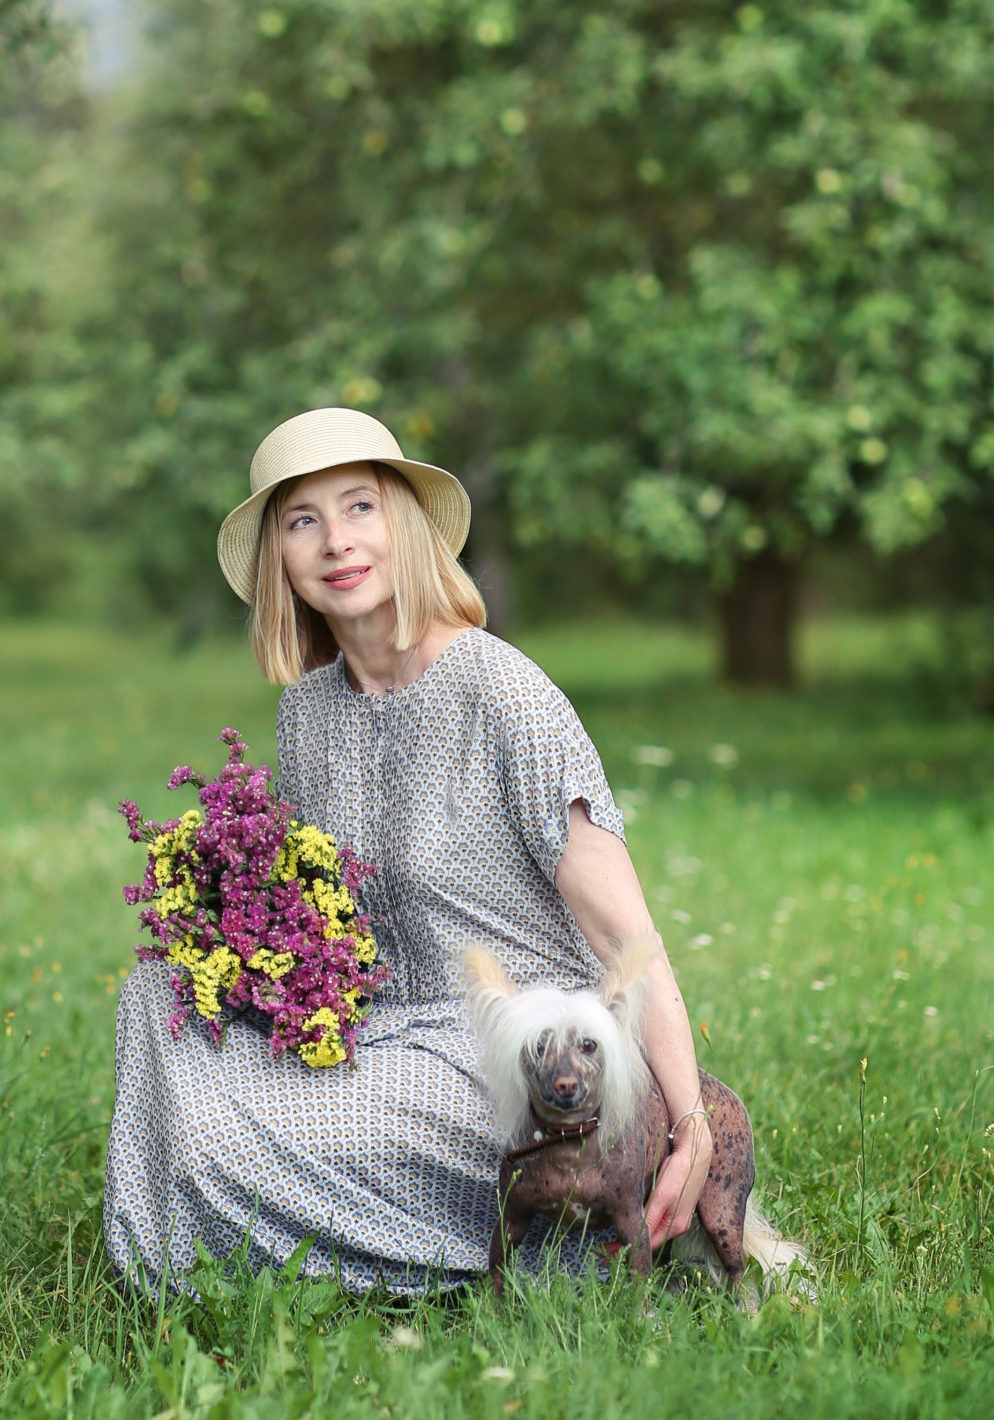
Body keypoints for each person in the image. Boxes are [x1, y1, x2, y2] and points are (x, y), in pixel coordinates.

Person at [104, 408, 711, 1293]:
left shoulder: (503, 691)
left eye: (359, 508)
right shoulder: (306, 713)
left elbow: (630, 939)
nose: (335, 541)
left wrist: (686, 1118)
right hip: (371, 1036)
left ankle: (543, 1238)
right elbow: (330, 923)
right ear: (280, 556)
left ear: (405, 527)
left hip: (513, 1061)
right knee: (158, 997)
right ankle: (206, 1223)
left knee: (223, 1143)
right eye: (302, 520)